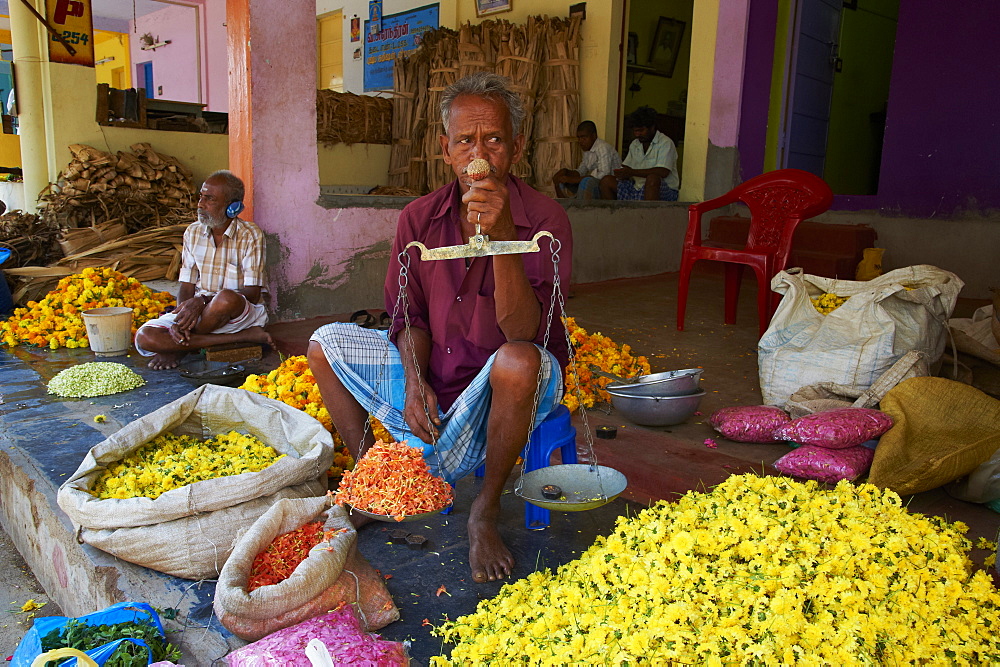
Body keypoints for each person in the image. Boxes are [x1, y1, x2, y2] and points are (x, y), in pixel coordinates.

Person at [308, 72, 573, 584]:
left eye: (494, 140)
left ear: (516, 147)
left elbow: (526, 333)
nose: (480, 155)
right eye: (466, 140)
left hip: (511, 381)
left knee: (516, 361)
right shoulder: (418, 218)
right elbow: (410, 316)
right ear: (445, 148)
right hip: (439, 370)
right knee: (324, 345)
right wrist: (414, 379)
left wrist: (499, 239)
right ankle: (380, 481)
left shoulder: (545, 220)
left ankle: (485, 510)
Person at [135, 170, 272, 369]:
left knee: (225, 298)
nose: (200, 204)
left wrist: (203, 301)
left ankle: (178, 347)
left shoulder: (251, 234)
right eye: (201, 197)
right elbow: (186, 286)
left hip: (236, 312)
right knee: (144, 337)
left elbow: (252, 294)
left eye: (209, 199)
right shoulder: (192, 232)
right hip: (200, 316)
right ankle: (245, 337)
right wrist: (181, 319)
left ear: (232, 207)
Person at [599, 106, 680, 201]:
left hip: (664, 191)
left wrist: (631, 172)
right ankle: (613, 215)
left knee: (652, 179)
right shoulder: (635, 144)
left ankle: (648, 215)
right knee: (606, 181)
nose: (637, 134)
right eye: (635, 131)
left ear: (652, 127)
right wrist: (622, 173)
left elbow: (663, 172)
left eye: (641, 130)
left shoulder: (665, 143)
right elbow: (627, 166)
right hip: (637, 187)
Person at [551, 120, 621, 200]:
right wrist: (566, 173)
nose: (580, 141)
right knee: (562, 180)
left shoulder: (602, 148)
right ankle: (566, 208)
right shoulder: (587, 150)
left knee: (586, 181)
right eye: (579, 138)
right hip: (598, 185)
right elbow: (581, 171)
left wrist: (574, 180)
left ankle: (582, 209)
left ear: (594, 136)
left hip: (611, 189)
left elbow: (603, 174)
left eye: (584, 137)